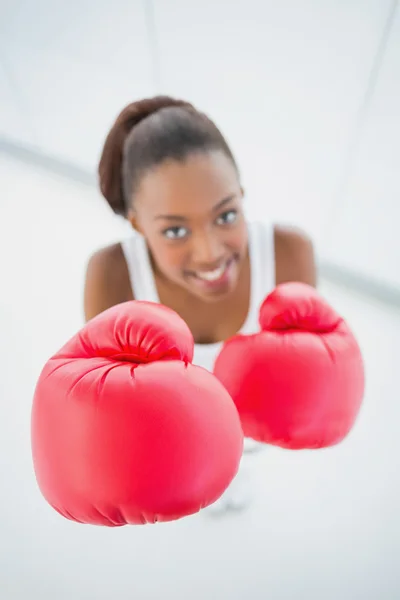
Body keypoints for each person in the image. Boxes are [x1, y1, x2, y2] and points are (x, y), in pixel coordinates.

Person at [83, 95, 317, 513]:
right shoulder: (112, 276)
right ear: (137, 224)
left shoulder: (289, 253)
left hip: (249, 439)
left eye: (226, 216)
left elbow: (301, 376)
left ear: (241, 194)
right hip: (176, 450)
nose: (210, 253)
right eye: (175, 231)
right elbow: (121, 411)